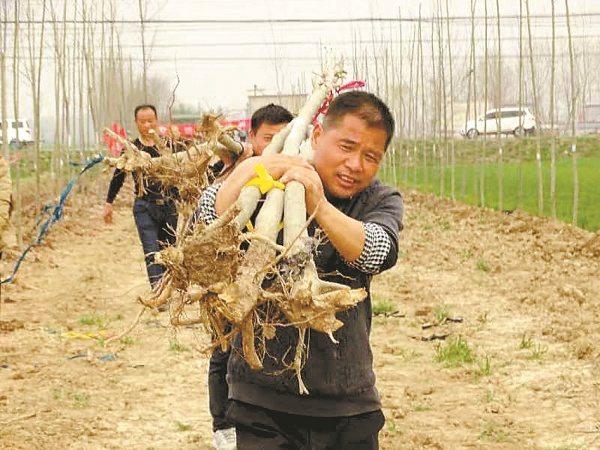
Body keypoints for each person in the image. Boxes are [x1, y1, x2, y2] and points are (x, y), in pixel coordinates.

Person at [197, 90, 403, 449]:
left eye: (371, 156)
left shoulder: (378, 200)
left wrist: (318, 205)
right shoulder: (260, 185)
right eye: (346, 147)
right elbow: (204, 227)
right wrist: (248, 169)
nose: (355, 164)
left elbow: (377, 251)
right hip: (261, 401)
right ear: (318, 136)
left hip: (348, 402)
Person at [207, 103, 294, 450]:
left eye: (282, 137)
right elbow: (207, 210)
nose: (275, 144)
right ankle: (223, 425)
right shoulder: (240, 172)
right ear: (253, 138)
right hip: (231, 279)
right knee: (224, 349)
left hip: (276, 284)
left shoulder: (296, 172)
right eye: (268, 138)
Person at [103, 104, 179, 290]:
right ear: (136, 123)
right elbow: (118, 177)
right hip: (145, 206)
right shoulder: (132, 149)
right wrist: (109, 203)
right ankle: (158, 292)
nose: (147, 125)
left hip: (169, 206)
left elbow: (182, 173)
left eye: (150, 120)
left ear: (157, 120)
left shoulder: (169, 146)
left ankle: (168, 289)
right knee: (151, 250)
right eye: (142, 121)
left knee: (169, 251)